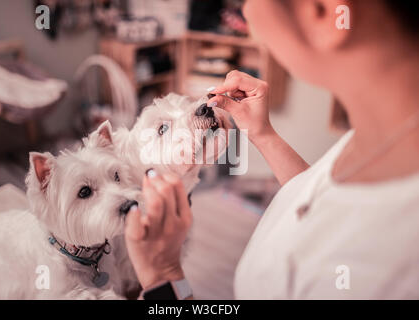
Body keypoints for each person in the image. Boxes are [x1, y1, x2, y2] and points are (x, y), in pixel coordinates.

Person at [124, 0, 419, 299]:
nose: (245, 14)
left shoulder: (383, 271)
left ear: (323, 10)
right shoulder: (386, 132)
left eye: (247, 1)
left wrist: (164, 277)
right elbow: (320, 201)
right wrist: (263, 135)